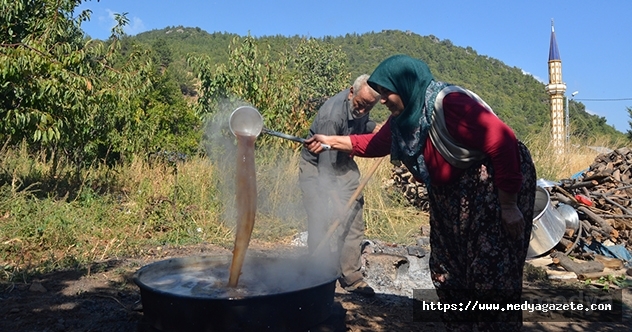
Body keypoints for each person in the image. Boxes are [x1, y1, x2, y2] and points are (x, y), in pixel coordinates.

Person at [305, 54, 536, 331]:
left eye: (386, 93)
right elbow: (374, 144)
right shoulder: (403, 118)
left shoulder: (450, 105)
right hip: (449, 192)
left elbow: (503, 141)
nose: (382, 100)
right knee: (446, 268)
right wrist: (330, 141)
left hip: (491, 185)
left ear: (405, 86)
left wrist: (508, 204)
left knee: (488, 270)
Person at [299, 74, 380, 297]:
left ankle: (351, 276)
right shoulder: (331, 117)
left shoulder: (362, 103)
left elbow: (362, 124)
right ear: (351, 92)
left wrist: (376, 129)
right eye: (360, 105)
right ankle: (319, 273)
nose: (362, 110)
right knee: (320, 219)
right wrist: (336, 201)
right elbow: (326, 170)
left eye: (368, 107)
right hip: (317, 167)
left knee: (353, 217)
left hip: (344, 162)